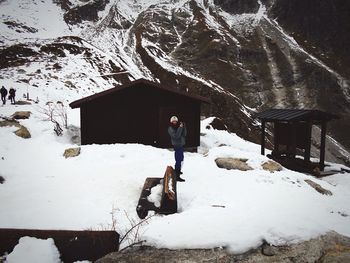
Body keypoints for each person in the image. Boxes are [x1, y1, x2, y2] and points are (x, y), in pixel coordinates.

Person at [168, 115, 187, 182]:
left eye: (176, 121)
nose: (174, 122)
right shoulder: (170, 128)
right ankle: (176, 175)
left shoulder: (179, 126)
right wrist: (180, 128)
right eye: (173, 121)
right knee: (178, 160)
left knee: (181, 159)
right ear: (171, 121)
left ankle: (178, 171)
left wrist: (184, 127)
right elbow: (176, 136)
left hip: (181, 145)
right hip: (176, 145)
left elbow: (184, 134)